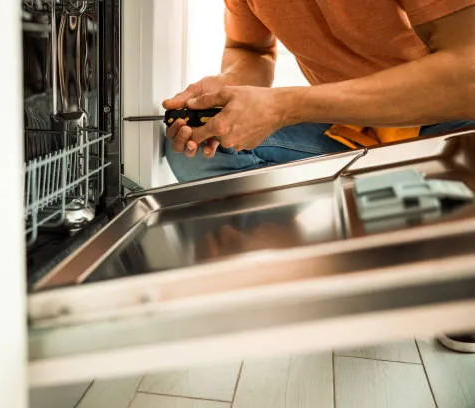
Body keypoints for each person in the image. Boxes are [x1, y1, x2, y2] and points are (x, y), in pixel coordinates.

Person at [163, 1, 475, 353]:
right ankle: (369, 236)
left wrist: (286, 106)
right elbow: (249, 48)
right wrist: (228, 91)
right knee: (197, 144)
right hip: (350, 127)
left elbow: (468, 76)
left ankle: (385, 241)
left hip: (450, 124)